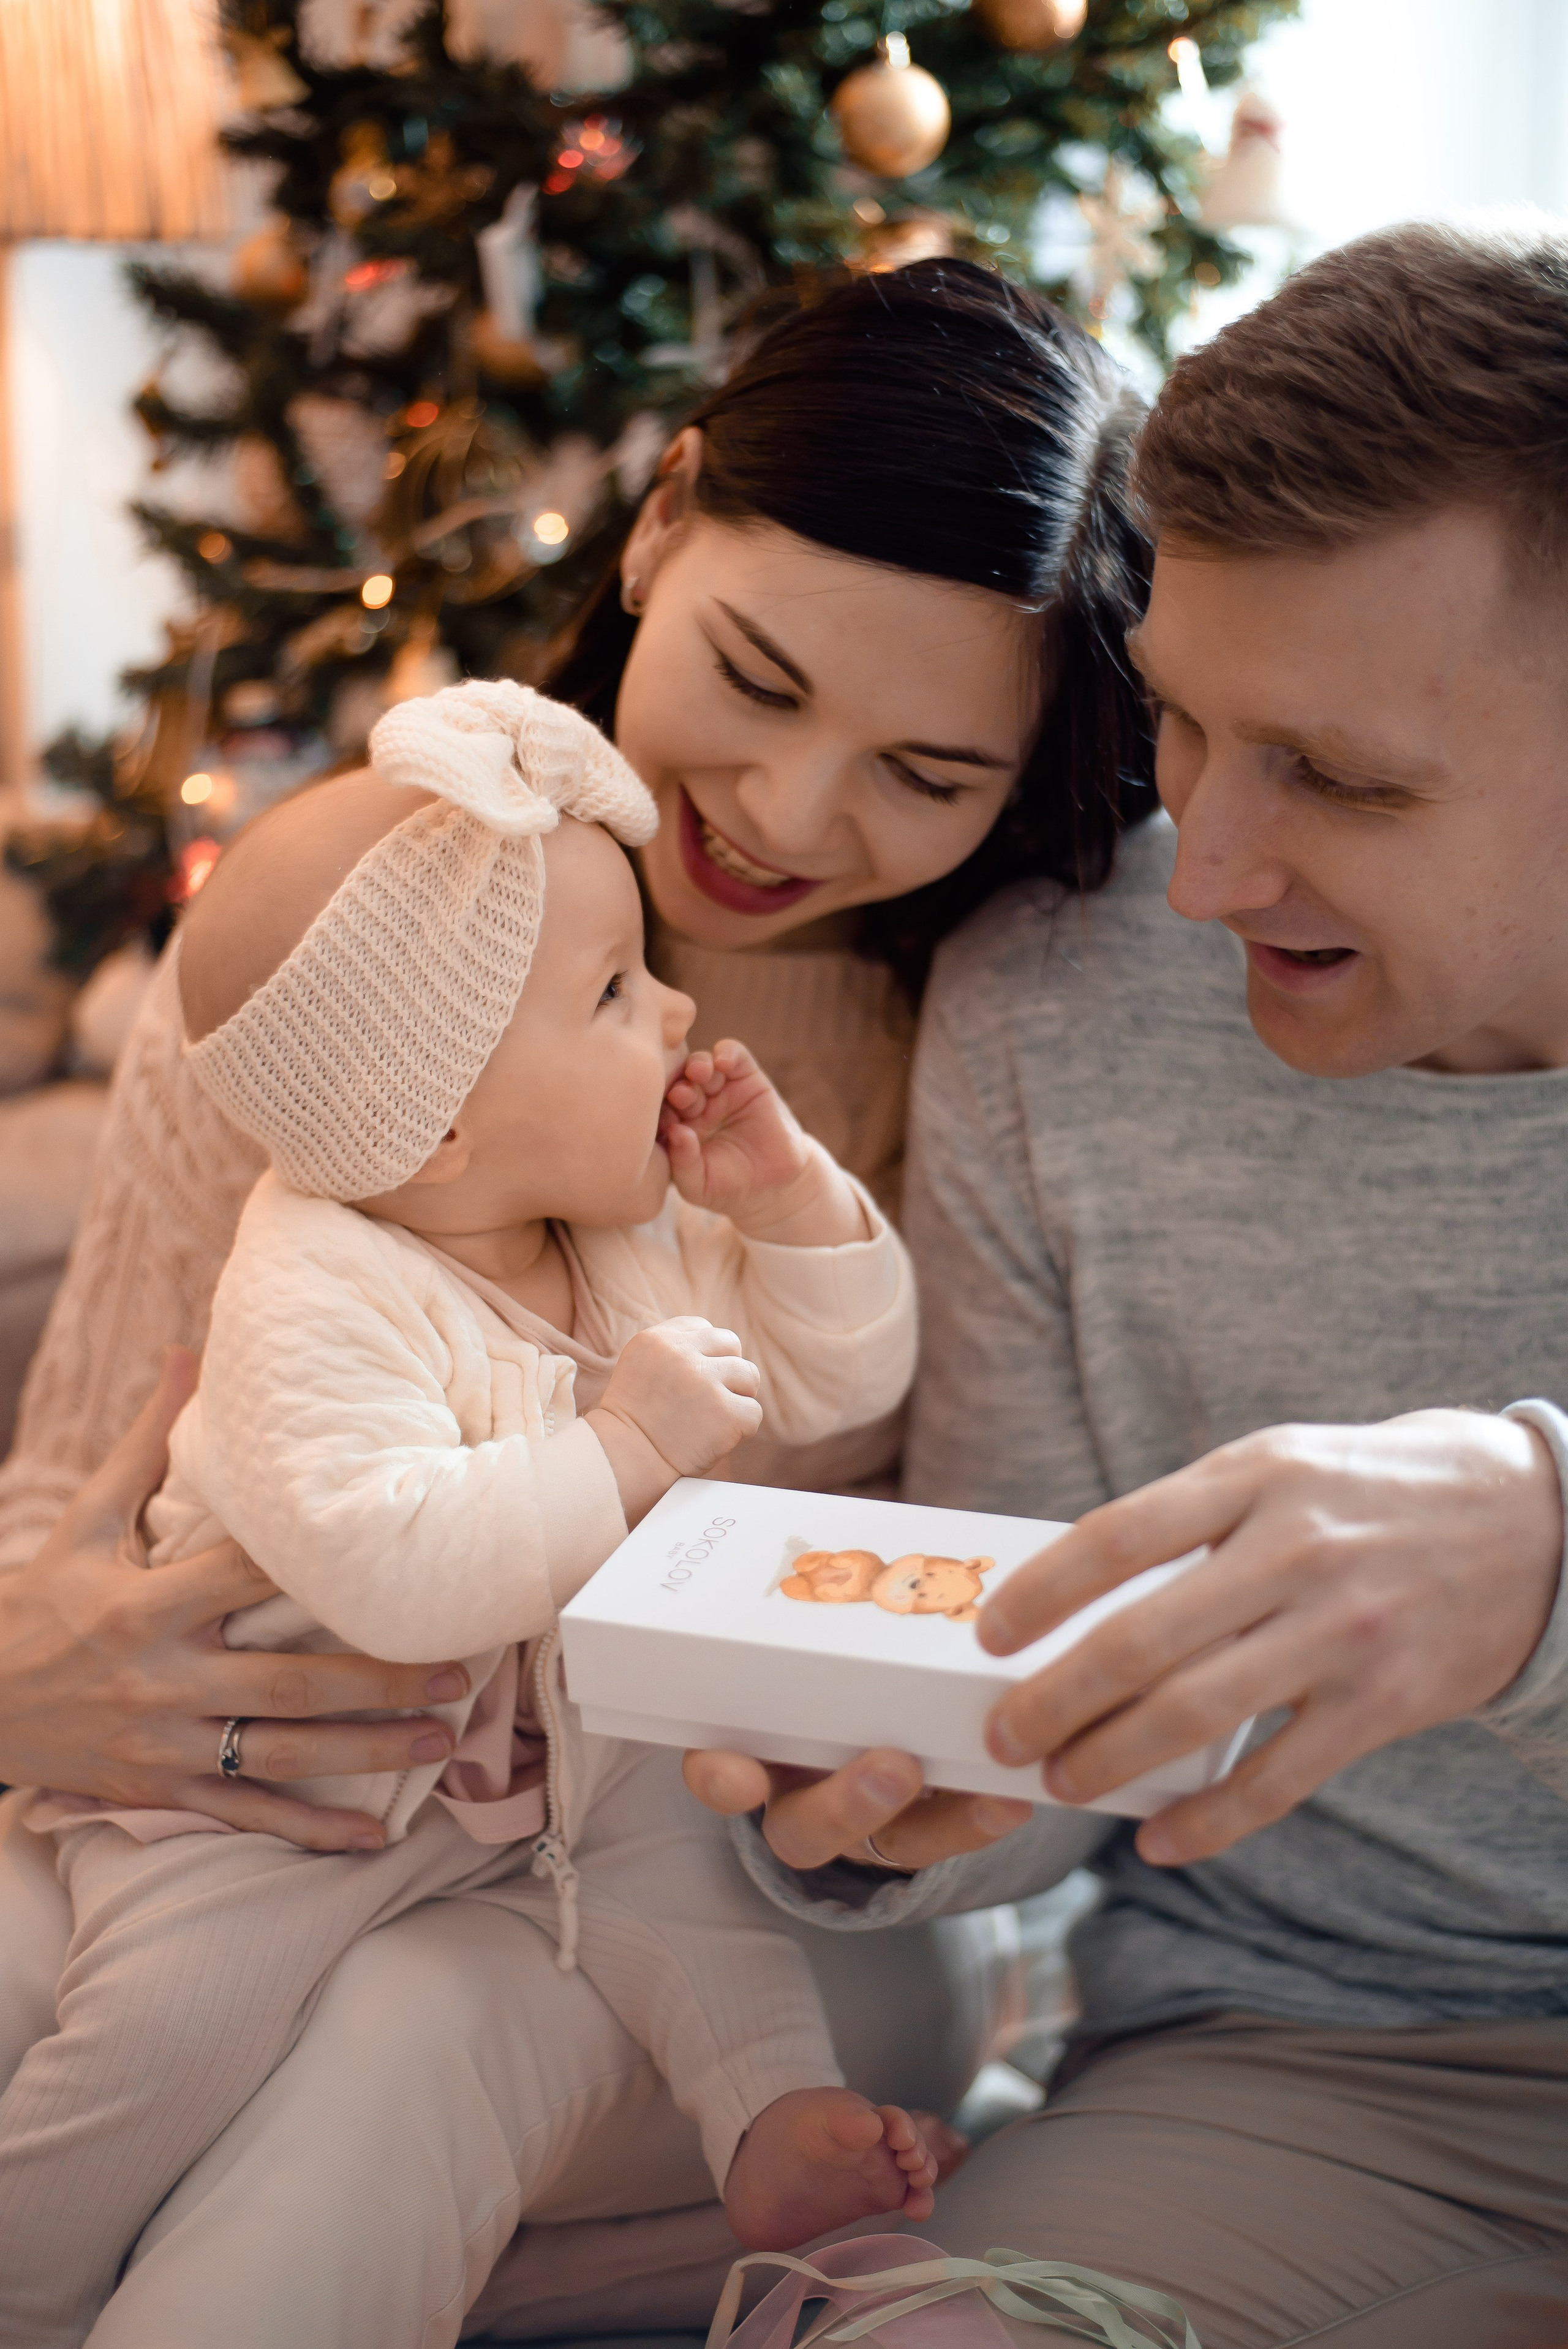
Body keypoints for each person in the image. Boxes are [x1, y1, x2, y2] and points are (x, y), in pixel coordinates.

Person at [0, 260, 1154, 2342]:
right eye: (764, 678)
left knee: (414, 2017)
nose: (795, 821)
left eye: (930, 768)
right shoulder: (345, 929)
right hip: (264, 1785)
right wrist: (30, 1670)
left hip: (747, 1877)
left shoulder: (1012, 1014)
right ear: (659, 523)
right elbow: (78, 1482)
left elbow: (1010, 1624)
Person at [692, 219, 1568, 2347]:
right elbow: (1031, 1680)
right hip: (1301, 2072)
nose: (1217, 862)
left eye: (1344, 778)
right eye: (1183, 722)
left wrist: (1540, 1560)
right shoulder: (1059, 1010)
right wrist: (888, 1796)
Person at [0, 678, 950, 2346]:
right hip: (272, 1793)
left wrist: (793, 1204)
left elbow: (837, 1370)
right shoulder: (311, 1284)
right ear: (429, 1126)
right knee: (170, 2029)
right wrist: (628, 1445)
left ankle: (768, 2116)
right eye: (610, 990)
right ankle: (32, 2266)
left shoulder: (623, 1226)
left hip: (545, 1773)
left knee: (694, 1886)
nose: (672, 1012)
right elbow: (396, 1567)